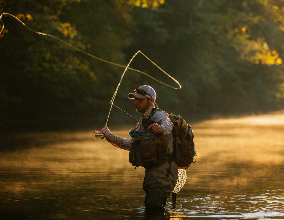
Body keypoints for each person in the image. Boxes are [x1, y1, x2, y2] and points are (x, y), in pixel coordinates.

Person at [100, 85, 178, 215]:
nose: (136, 102)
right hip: (152, 174)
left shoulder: (158, 115)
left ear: (151, 101)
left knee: (153, 206)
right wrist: (109, 136)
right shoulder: (142, 123)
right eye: (135, 99)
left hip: (164, 172)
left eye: (140, 100)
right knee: (152, 207)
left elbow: (168, 124)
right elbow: (131, 145)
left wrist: (161, 128)